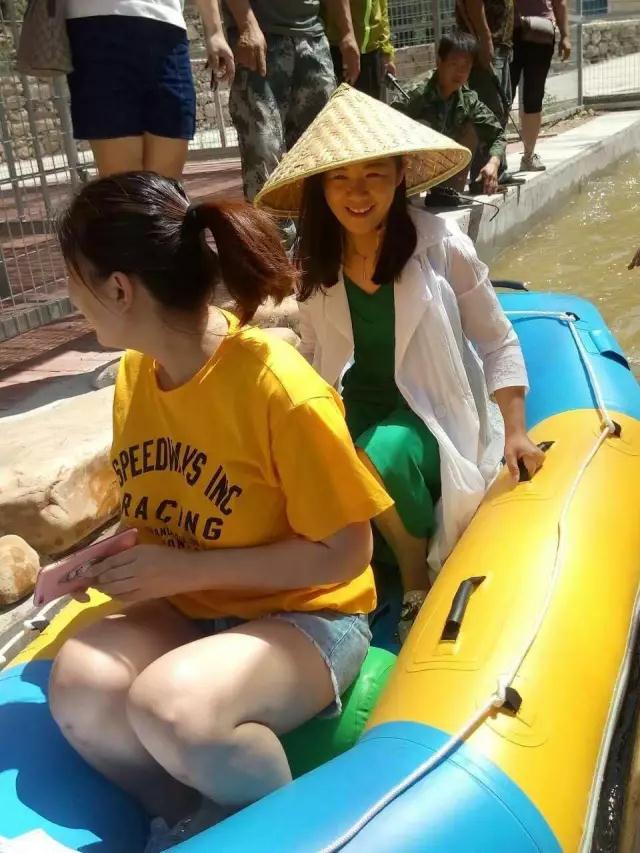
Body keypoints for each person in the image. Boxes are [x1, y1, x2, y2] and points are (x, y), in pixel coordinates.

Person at [48, 172, 392, 852]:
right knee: (81, 680)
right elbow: (169, 506)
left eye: (73, 279)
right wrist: (104, 560)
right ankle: (184, 821)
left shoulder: (279, 391)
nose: (69, 297)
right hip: (197, 608)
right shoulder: (136, 375)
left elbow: (348, 553)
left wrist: (181, 572)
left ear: (119, 289)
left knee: (173, 708)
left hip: (309, 618)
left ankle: (283, 833)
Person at [256, 85, 544, 623]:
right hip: (355, 403)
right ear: (321, 186)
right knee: (306, 468)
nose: (356, 193)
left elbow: (496, 338)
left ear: (400, 175)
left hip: (430, 409)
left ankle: (415, 575)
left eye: (374, 175)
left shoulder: (442, 246)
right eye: (340, 178)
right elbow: (315, 352)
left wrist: (515, 431)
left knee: (375, 454)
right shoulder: (316, 259)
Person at [64, 1, 234, 179]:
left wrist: (215, 31)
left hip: (169, 28)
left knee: (165, 186)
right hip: (95, 28)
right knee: (124, 185)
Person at [217, 0, 360, 203]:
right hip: (260, 40)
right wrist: (247, 24)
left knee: (322, 152)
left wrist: (347, 33)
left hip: (313, 38)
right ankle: (268, 224)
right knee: (264, 154)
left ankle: (317, 223)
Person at [396, 31, 506, 195]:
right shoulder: (415, 94)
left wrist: (493, 163)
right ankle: (407, 192)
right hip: (407, 172)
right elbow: (386, 132)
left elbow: (498, 134)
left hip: (444, 169)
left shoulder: (468, 100)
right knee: (420, 126)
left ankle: (447, 191)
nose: (460, 72)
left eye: (466, 66)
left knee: (472, 127)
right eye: (454, 64)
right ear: (439, 62)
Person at [456, 0, 514, 181]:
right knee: (489, 111)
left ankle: (498, 170)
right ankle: (483, 176)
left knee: (501, 109)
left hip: (500, 44)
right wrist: (485, 37)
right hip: (487, 43)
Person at [511, 0, 571, 171]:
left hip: (540, 33)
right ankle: (497, 161)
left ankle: (528, 156)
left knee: (533, 97)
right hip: (510, 31)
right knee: (504, 97)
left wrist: (565, 36)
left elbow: (560, 3)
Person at [325, 0, 396, 100]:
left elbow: (382, 10)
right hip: (341, 53)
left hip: (372, 53)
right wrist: (347, 41)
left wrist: (386, 53)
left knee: (370, 107)